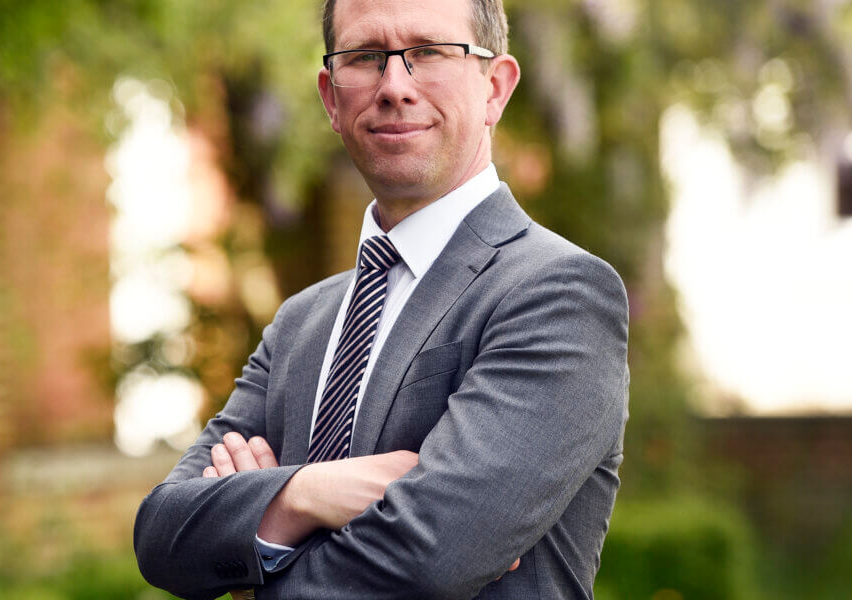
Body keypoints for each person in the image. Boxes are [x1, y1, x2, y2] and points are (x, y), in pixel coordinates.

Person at [134, 0, 629, 598]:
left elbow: (433, 556)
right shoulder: (301, 322)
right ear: (330, 99)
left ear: (495, 87)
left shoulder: (557, 294)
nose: (395, 86)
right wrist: (308, 493)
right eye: (365, 57)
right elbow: (162, 536)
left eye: (428, 52)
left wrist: (255, 545)